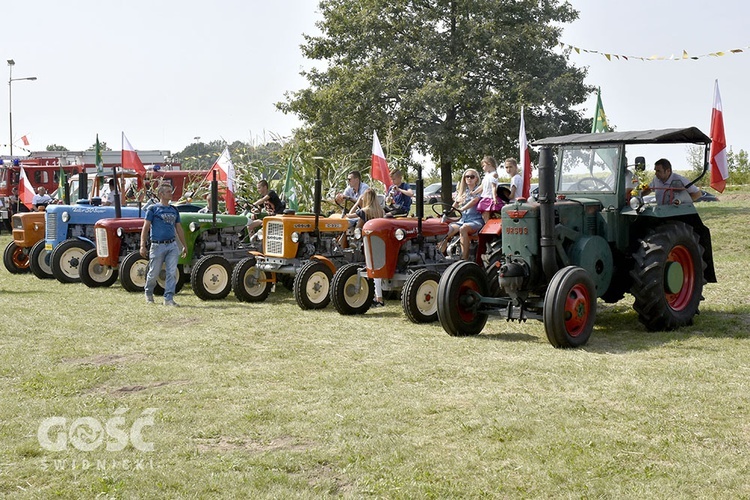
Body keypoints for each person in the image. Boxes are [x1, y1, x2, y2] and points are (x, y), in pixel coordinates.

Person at [139, 184, 188, 306]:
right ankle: (149, 293)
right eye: (168, 191)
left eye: (171, 191)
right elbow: (145, 228)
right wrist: (142, 245)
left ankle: (168, 298)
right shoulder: (153, 209)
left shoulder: (174, 210)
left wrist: (184, 245)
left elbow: (179, 229)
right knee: (153, 272)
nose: (170, 193)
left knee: (171, 272)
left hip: (172, 245)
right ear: (161, 194)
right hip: (157, 245)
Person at [346, 188, 386, 307]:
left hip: (369, 242)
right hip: (380, 242)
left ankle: (378, 298)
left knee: (372, 270)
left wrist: (357, 202)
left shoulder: (364, 211)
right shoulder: (381, 211)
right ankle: (377, 296)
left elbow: (349, 215)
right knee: (378, 270)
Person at [438, 168, 484, 260]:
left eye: (472, 176)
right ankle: (439, 256)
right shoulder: (463, 192)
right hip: (462, 220)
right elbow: (454, 207)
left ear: (477, 179)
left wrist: (462, 208)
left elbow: (474, 201)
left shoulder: (479, 191)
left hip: (475, 220)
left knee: (464, 228)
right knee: (444, 231)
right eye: (467, 176)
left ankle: (464, 258)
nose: (469, 178)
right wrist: (452, 207)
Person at [474, 155, 503, 222]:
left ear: (489, 164)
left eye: (484, 166)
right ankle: (487, 226)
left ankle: (487, 227)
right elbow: (482, 186)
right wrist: (474, 192)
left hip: (490, 197)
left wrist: (494, 197)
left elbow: (493, 187)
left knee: (486, 213)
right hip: (485, 196)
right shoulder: (487, 175)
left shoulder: (494, 174)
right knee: (485, 214)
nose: (483, 168)